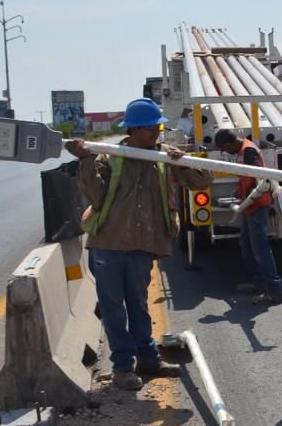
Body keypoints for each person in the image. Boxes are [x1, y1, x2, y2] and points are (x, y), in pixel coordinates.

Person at [66, 98, 214, 391]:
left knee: (138, 304)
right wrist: (84, 160)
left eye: (157, 127)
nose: (155, 134)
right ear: (133, 130)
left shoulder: (161, 158)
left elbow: (202, 182)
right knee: (112, 308)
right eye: (149, 129)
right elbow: (95, 196)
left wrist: (180, 161)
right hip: (108, 243)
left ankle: (148, 359)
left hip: (143, 244)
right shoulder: (109, 157)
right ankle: (122, 367)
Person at [214, 128, 282, 306]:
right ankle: (259, 283)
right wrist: (239, 191)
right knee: (245, 244)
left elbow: (260, 180)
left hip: (256, 206)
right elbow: (247, 178)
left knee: (260, 249)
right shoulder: (243, 150)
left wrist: (247, 199)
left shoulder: (248, 151)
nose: (225, 152)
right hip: (249, 206)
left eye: (224, 149)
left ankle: (274, 290)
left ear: (229, 143)